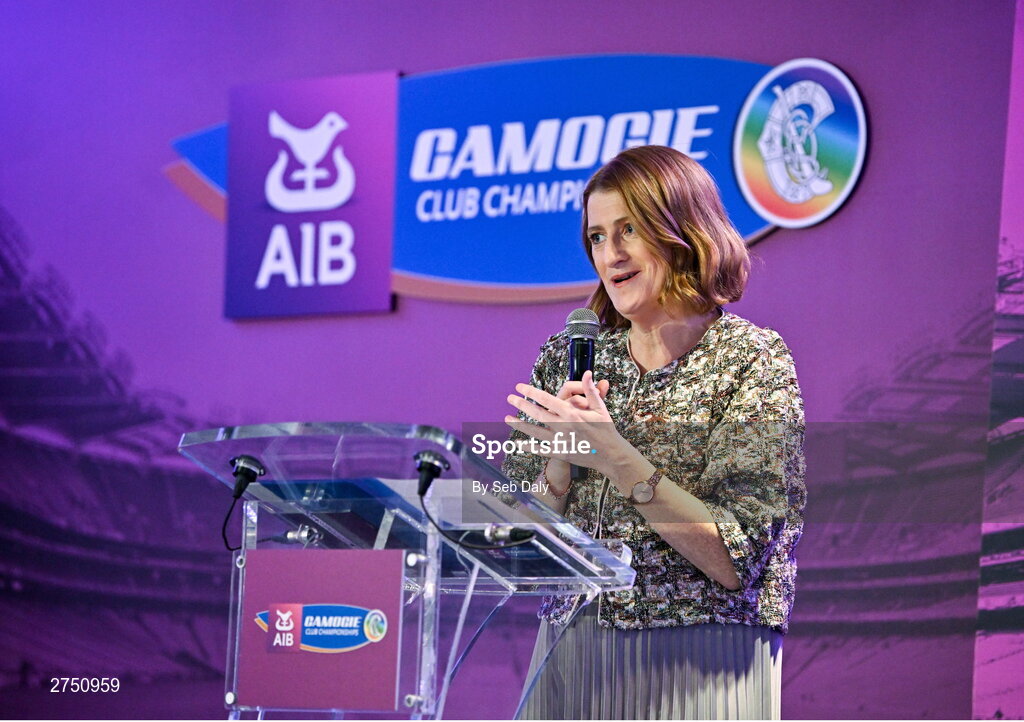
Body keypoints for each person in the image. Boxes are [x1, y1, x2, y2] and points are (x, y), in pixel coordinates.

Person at [501, 145, 806, 720]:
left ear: (682, 232)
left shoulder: (750, 361)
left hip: (701, 659)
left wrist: (616, 455)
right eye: (596, 237)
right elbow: (524, 556)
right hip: (568, 655)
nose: (609, 254)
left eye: (628, 231)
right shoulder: (569, 357)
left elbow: (737, 559)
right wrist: (557, 472)